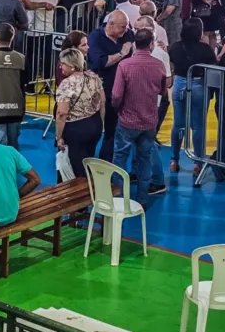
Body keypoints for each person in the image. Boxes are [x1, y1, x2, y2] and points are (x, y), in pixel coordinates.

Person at [111, 28, 168, 207]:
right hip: (149, 121)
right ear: (151, 44)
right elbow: (162, 90)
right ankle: (142, 199)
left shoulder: (124, 65)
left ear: (135, 44)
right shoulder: (159, 65)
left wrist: (118, 108)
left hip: (127, 120)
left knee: (120, 158)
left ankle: (117, 197)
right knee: (145, 160)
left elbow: (116, 95)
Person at [169, 20, 214, 174]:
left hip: (179, 83)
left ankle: (174, 160)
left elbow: (172, 61)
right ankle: (198, 163)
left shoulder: (175, 47)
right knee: (198, 126)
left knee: (178, 123)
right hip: (198, 84)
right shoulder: (205, 49)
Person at [88, 11, 134, 162]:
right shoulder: (95, 38)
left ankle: (106, 161)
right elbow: (101, 62)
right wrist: (122, 54)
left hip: (118, 92)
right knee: (93, 130)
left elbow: (133, 37)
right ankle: (86, 160)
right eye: (122, 27)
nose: (125, 30)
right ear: (111, 24)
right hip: (98, 92)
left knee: (112, 130)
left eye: (126, 26)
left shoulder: (126, 34)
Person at [53, 48, 105, 179]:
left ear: (72, 66)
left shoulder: (67, 84)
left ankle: (78, 189)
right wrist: (100, 123)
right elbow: (102, 101)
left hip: (76, 129)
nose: (60, 66)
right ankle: (89, 186)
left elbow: (61, 113)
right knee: (88, 160)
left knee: (74, 167)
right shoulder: (94, 77)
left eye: (63, 63)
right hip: (95, 123)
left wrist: (59, 137)